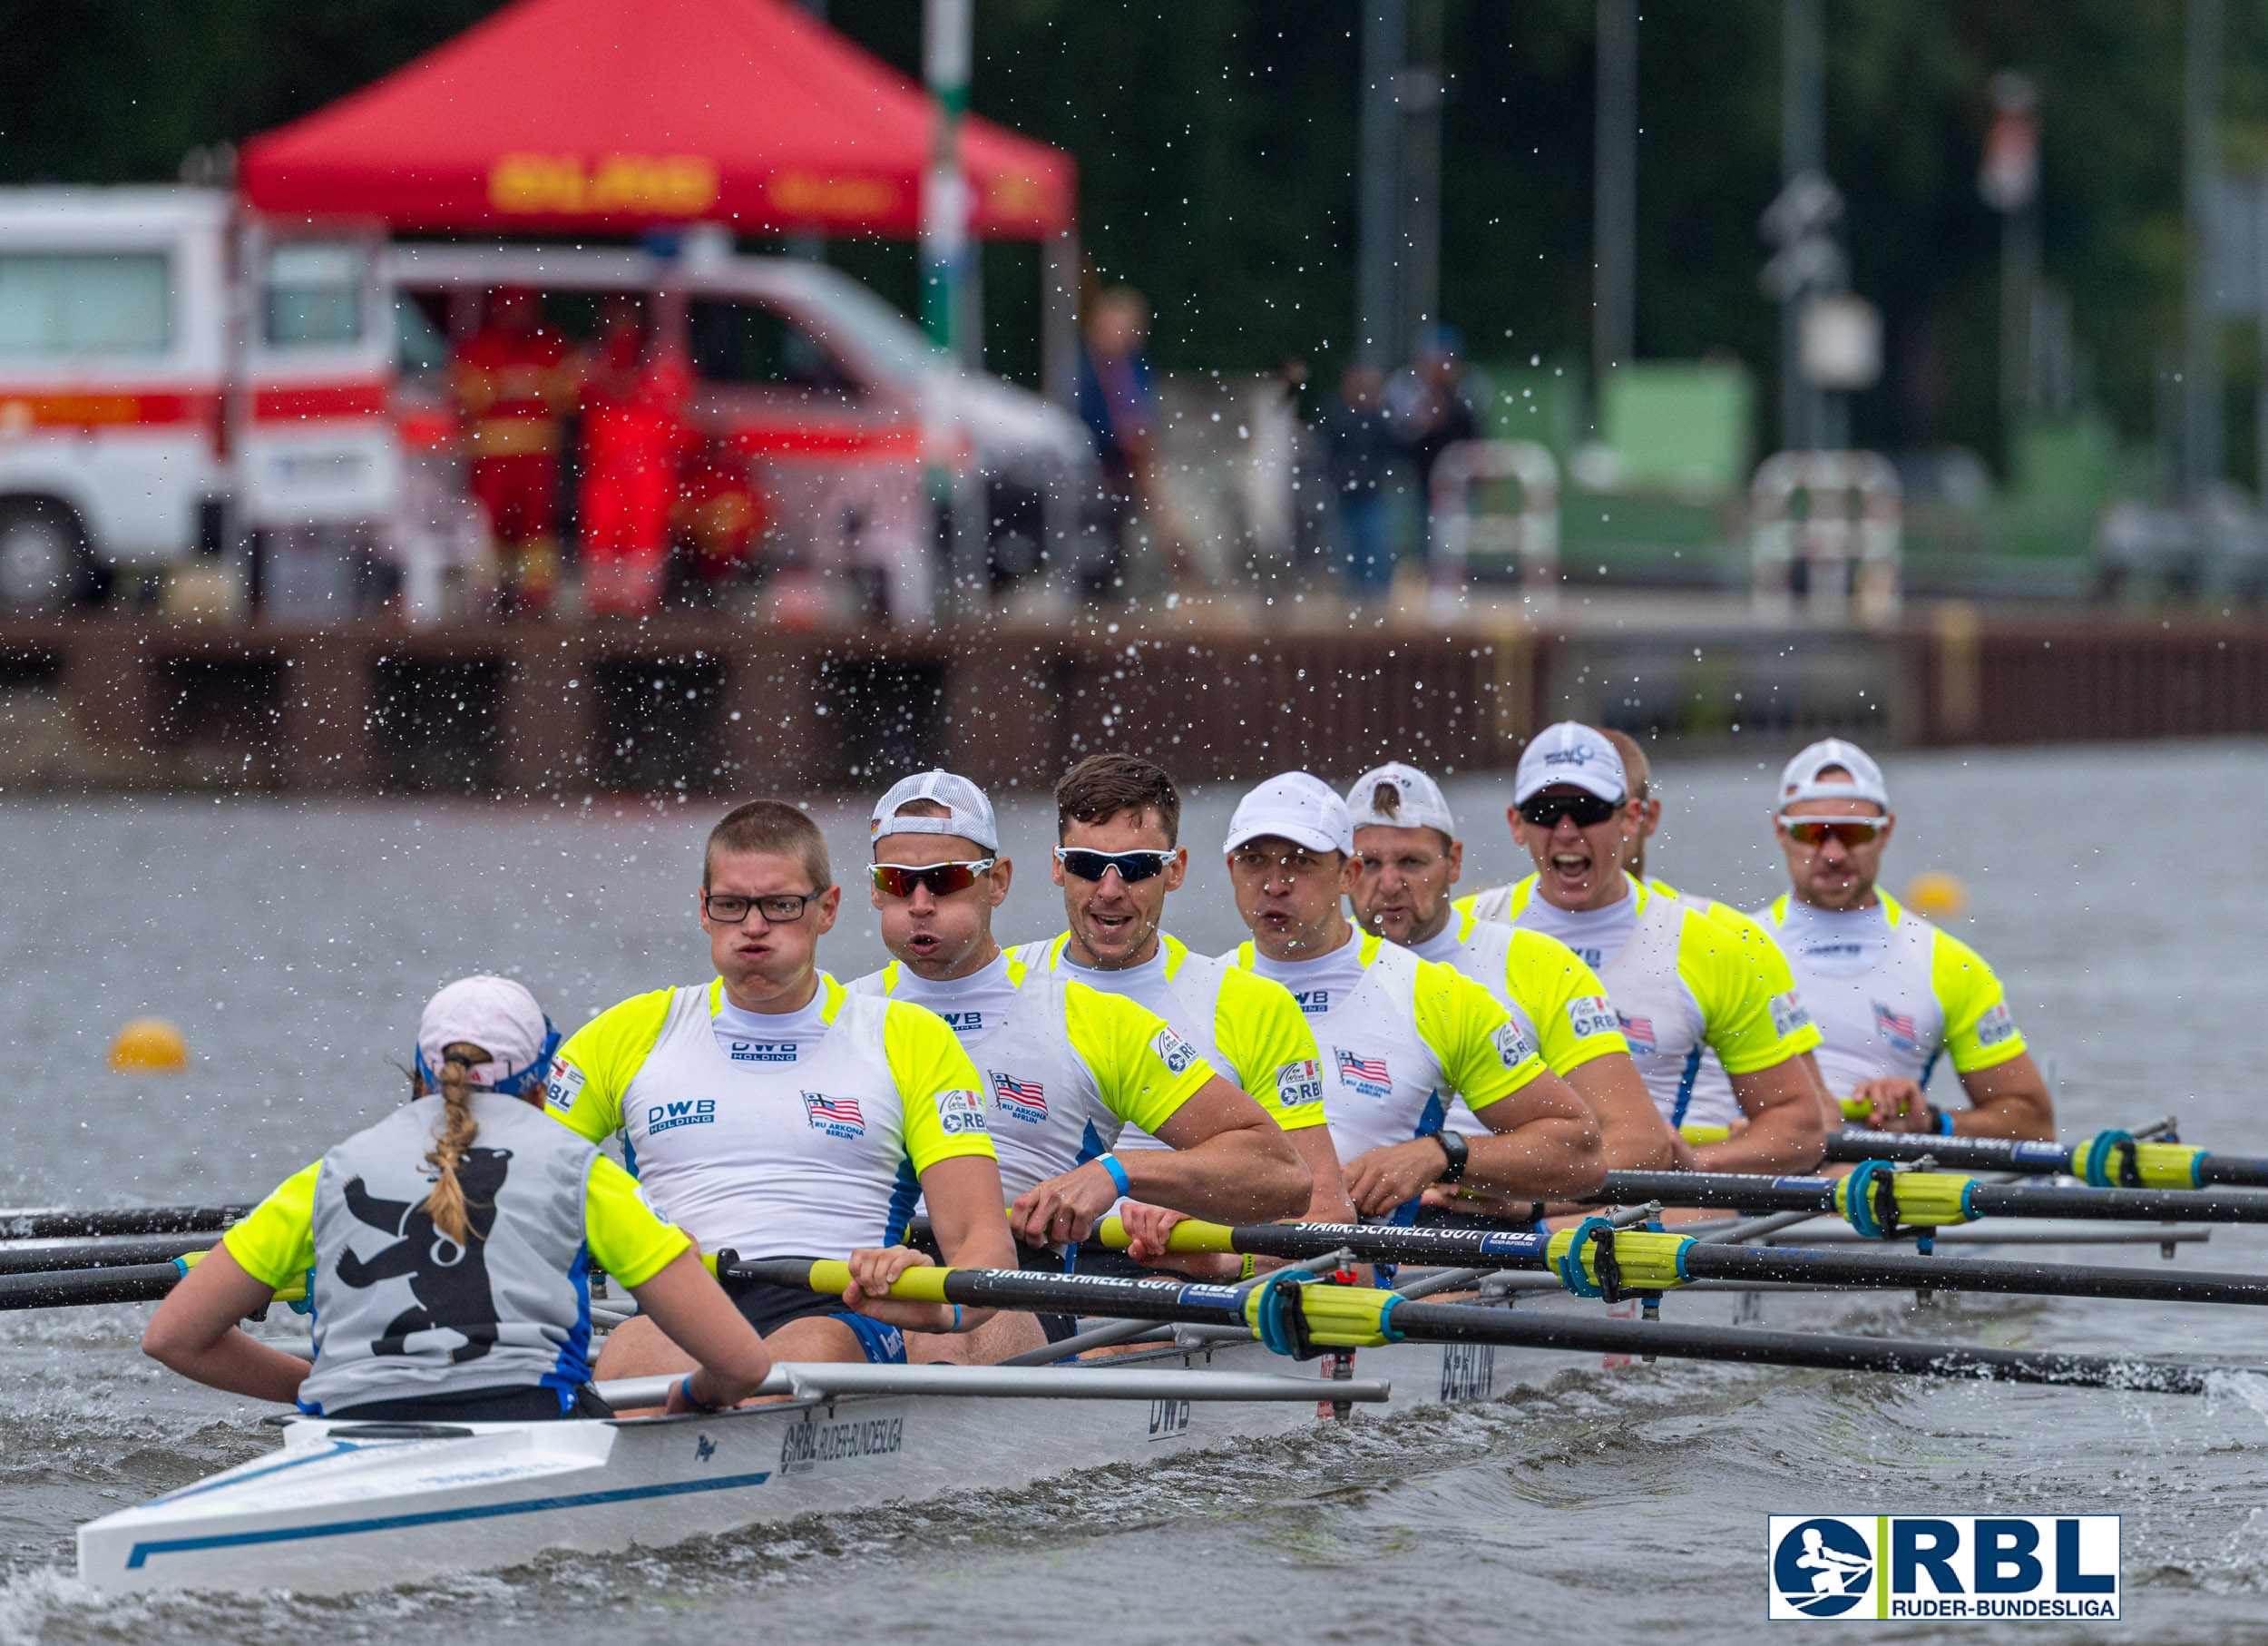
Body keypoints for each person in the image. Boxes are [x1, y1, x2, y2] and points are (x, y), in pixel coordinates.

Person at [142, 977, 770, 1422]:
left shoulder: (330, 1175)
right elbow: (743, 1365)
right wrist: (695, 1396)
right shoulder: (586, 1176)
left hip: (347, 1421)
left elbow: (172, 1338)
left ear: (418, 1075)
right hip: (530, 1423)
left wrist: (313, 1386)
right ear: (545, 1086)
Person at [546, 801, 1022, 1377]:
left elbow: (985, 1248)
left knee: (803, 1356)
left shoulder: (908, 1040)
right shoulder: (627, 1033)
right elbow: (515, 1183)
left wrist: (935, 1306)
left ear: (827, 909)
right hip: (684, 1304)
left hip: (840, 1308)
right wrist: (618, 1232)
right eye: (731, 905)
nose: (752, 926)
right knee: (627, 1356)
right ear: (703, 909)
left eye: (780, 905)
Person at [847, 770, 1311, 1356]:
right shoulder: (841, 1013)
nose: (919, 904)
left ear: (999, 882)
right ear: (872, 889)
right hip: (849, 1269)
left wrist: (1116, 1173)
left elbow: (1284, 1177)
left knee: (933, 1342)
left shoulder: (1092, 1020)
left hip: (1012, 1284)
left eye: (943, 880)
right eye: (897, 881)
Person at [1216, 771, 1602, 1220]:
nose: (1274, 884)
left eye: (1300, 862)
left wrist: (1442, 1155)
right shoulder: (1200, 988)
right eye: (1254, 860)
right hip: (1211, 1265)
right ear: (1230, 871)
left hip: (1363, 1276)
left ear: (1347, 874)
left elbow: (1583, 1155)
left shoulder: (1434, 995)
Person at [1005, 752, 1358, 1232]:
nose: (1109, 889)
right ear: (1057, 865)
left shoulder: (1252, 1005)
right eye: (1088, 864)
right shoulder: (999, 984)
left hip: (1190, 1292)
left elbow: (1325, 1214)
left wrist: (1217, 1253)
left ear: (1176, 870)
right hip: (1031, 1276)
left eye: (1137, 866)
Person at [1455, 722, 1828, 1172]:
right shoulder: (1462, 928)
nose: (1567, 829)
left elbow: (1801, 1127)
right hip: (1468, 1197)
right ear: (1517, 824)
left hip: (1633, 1208)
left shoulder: (1708, 945)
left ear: (1632, 818)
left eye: (1587, 810)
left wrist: (1699, 1165)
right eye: (1546, 810)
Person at [1342, 760, 1680, 1173]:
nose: (1390, 884)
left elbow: (1641, 1142)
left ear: (1454, 863)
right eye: (1371, 865)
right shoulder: (1288, 970)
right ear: (1345, 872)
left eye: (1412, 863)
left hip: (1491, 1218)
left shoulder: (1540, 964)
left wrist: (1511, 1193)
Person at [1755, 739, 2054, 1141]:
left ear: (1887, 831)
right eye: (1812, 833)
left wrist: (1929, 1121)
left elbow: (2035, 1126)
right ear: (1780, 831)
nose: (1832, 853)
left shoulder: (1947, 964)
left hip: (1862, 1183)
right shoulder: (1730, 946)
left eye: (1853, 834)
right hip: (1739, 1175)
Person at [454, 287, 574, 614]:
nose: (517, 313)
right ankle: (488, 592)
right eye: (510, 306)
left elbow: (568, 393)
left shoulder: (548, 345)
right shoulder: (480, 347)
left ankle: (535, 593)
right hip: (493, 456)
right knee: (490, 524)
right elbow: (467, 395)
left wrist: (509, 386)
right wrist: (516, 386)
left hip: (536, 455)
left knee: (536, 526)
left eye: (523, 306)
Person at [576, 296, 691, 616]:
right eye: (615, 317)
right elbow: (579, 393)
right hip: (608, 464)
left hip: (646, 464)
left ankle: (638, 597)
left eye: (626, 317)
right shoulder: (596, 359)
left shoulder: (660, 360)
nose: (620, 325)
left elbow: (675, 403)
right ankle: (605, 597)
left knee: (644, 533)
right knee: (602, 530)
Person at [1318, 365, 1401, 603]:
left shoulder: (1379, 418)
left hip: (1371, 493)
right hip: (1345, 494)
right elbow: (1327, 453)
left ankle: (1375, 596)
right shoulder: (1338, 416)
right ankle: (1353, 596)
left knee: (1374, 545)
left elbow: (1393, 450)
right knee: (1348, 547)